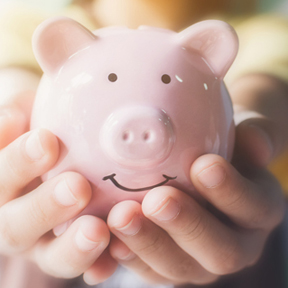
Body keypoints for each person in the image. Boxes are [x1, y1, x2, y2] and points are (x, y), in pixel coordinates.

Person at [0, 0, 287, 287]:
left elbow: (262, 86)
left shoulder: (267, 32)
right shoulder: (22, 25)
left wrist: (247, 118)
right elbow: (13, 80)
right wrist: (14, 117)